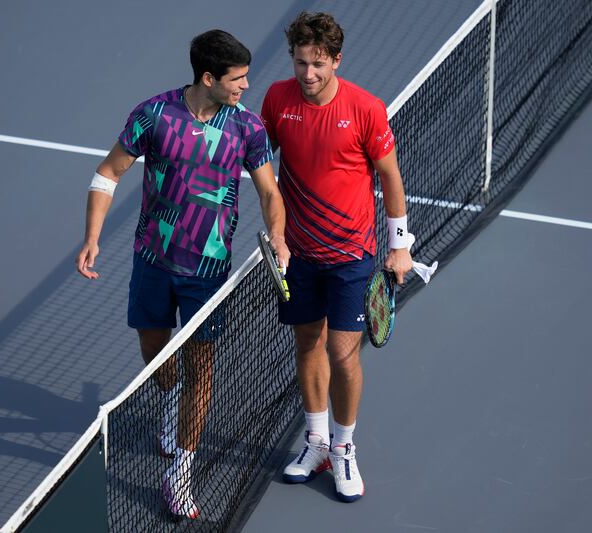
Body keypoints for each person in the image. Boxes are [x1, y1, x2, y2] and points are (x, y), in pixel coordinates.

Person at [75, 29, 289, 519]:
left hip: (208, 273)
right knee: (155, 351)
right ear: (208, 78)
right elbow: (108, 173)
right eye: (237, 79)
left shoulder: (247, 128)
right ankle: (168, 403)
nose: (245, 86)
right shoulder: (153, 115)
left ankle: (181, 470)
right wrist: (91, 237)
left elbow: (270, 194)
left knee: (203, 367)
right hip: (152, 260)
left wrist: (277, 235)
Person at [260, 11, 412, 503]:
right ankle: (317, 441)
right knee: (307, 344)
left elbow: (389, 178)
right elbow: (262, 167)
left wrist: (400, 245)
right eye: (301, 62)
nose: (308, 74)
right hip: (299, 253)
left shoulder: (366, 109)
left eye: (318, 64)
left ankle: (344, 448)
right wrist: (276, 234)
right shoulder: (277, 100)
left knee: (343, 355)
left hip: (351, 256)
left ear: (336, 61)